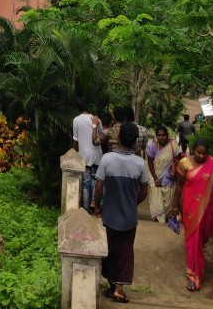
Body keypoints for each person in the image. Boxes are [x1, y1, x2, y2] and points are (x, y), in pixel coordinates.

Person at [92, 121, 149, 304]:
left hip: (109, 214)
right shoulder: (140, 164)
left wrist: (98, 206)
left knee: (108, 249)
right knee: (125, 252)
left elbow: (98, 186)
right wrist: (132, 202)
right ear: (134, 142)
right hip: (129, 217)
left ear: (118, 137)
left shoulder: (107, 159)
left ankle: (111, 283)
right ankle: (118, 289)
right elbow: (144, 191)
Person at [171, 137, 213, 292]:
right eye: (198, 153)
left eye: (204, 154)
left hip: (208, 208)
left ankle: (198, 261)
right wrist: (175, 205)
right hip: (190, 207)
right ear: (193, 150)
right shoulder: (184, 163)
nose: (201, 156)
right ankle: (193, 276)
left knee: (202, 238)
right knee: (193, 240)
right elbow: (179, 186)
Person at [72, 98, 102, 214]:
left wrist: (75, 154)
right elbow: (101, 136)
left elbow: (75, 140)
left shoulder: (76, 120)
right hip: (97, 155)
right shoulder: (96, 119)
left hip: (84, 155)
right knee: (96, 181)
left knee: (86, 183)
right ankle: (95, 205)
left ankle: (85, 209)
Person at [146, 125, 180, 223]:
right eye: (159, 135)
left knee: (167, 203)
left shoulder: (173, 145)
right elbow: (150, 162)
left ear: (167, 135)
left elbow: (179, 160)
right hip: (156, 177)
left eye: (163, 135)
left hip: (170, 179)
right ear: (156, 136)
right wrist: (156, 178)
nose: (162, 137)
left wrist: (175, 172)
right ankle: (158, 220)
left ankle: (166, 218)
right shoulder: (153, 146)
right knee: (156, 199)